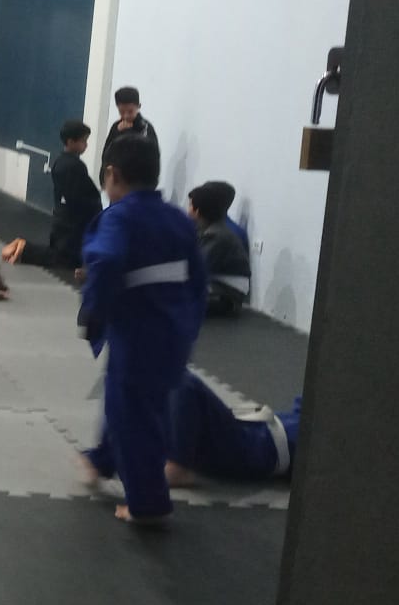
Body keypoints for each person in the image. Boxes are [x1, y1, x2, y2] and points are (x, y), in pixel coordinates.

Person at [77, 135, 208, 525]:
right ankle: (103, 459)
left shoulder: (119, 217)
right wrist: (189, 324)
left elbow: (107, 260)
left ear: (112, 174)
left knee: (132, 413)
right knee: (137, 401)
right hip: (174, 329)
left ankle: (147, 503)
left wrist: (94, 309)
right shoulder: (178, 219)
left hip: (138, 330)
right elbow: (199, 280)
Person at [166, 372, 300, 486]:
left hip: (258, 446)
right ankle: (176, 461)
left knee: (180, 379)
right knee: (176, 379)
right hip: (259, 431)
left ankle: (177, 466)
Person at [2, 120, 103, 273]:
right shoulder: (75, 166)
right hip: (72, 225)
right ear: (71, 142)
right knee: (65, 260)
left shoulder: (59, 162)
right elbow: (78, 197)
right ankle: (24, 248)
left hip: (62, 220)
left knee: (64, 257)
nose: (86, 145)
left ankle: (23, 248)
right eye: (83, 141)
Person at [188, 181, 252, 316]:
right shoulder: (211, 230)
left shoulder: (216, 235)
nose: (188, 209)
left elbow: (198, 270)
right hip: (220, 286)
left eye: (190, 205)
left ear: (197, 210)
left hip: (227, 295)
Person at [101, 86, 160, 161]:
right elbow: (106, 156)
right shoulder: (116, 127)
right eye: (122, 112)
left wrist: (130, 133)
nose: (126, 116)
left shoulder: (146, 128)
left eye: (130, 111)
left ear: (138, 106)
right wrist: (118, 133)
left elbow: (153, 156)